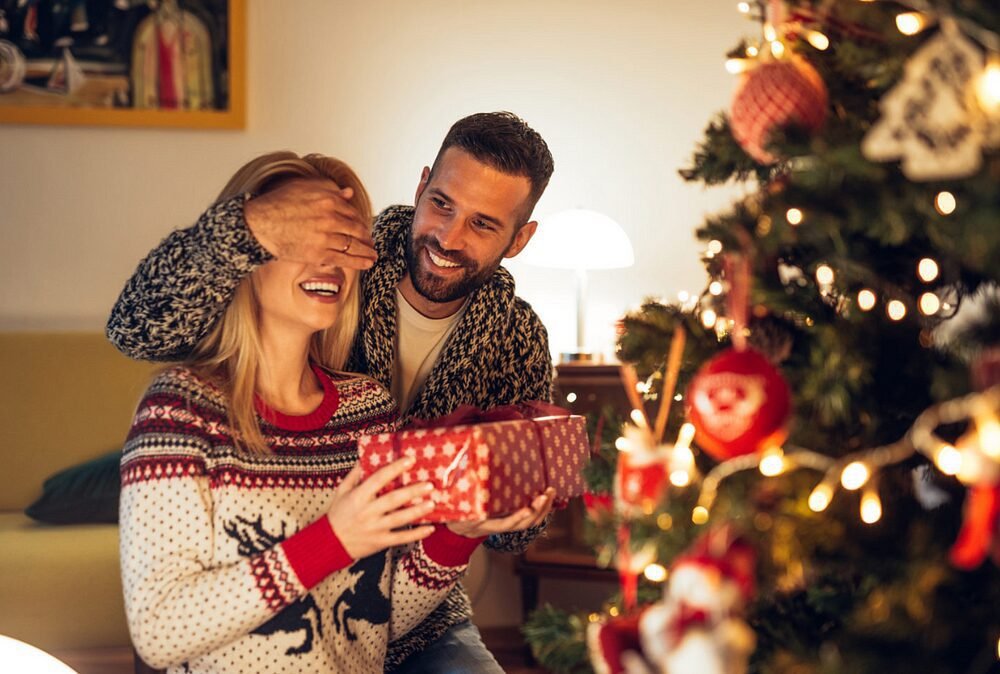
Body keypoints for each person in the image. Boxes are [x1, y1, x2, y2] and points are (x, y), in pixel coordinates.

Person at [108, 111, 558, 672]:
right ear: (421, 186)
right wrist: (247, 228)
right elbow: (136, 328)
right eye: (442, 204)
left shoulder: (506, 340)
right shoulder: (346, 254)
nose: (448, 236)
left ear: (518, 239)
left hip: (401, 610)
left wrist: (479, 515)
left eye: (483, 224)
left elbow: (384, 601)